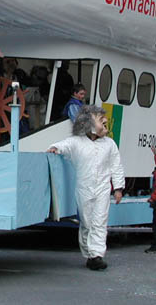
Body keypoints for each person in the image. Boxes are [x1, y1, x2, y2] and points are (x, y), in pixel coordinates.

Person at [47, 105, 124, 271]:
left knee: (100, 221)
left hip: (103, 188)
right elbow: (64, 145)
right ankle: (89, 253)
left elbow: (116, 166)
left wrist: (118, 188)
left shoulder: (110, 144)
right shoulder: (77, 142)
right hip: (83, 188)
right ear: (88, 123)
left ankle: (97, 255)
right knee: (87, 222)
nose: (105, 121)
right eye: (100, 119)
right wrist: (55, 148)